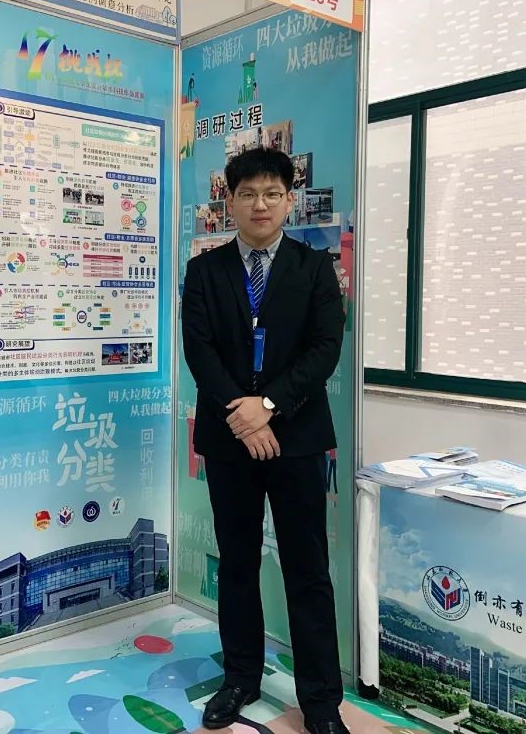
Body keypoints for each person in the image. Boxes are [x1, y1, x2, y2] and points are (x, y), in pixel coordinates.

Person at [181, 147, 347, 734]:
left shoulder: (314, 267)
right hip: (230, 440)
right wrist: (243, 415)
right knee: (238, 562)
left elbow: (325, 348)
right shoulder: (206, 270)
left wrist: (268, 406)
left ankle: (321, 704)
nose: (260, 204)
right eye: (248, 193)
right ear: (229, 201)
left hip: (296, 438)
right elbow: (199, 350)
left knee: (308, 569)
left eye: (272, 194)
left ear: (289, 201)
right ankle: (240, 679)